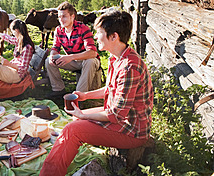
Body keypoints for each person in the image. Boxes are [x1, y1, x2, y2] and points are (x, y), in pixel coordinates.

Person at [40, 10, 154, 176]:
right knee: (76, 119)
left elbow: (115, 114)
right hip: (122, 120)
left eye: (99, 32)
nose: (95, 36)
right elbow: (110, 89)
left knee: (72, 130)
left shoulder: (130, 67)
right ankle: (64, 157)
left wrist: (84, 116)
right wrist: (85, 96)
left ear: (113, 36)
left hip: (131, 130)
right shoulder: (117, 57)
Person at [45, 1, 100, 98]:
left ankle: (79, 96)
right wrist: (52, 55)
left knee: (91, 61)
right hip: (73, 62)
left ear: (72, 16)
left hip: (86, 61)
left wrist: (70, 57)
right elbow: (55, 47)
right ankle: (58, 89)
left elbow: (92, 52)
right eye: (59, 17)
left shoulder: (83, 28)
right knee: (48, 61)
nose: (61, 19)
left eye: (64, 16)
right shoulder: (58, 30)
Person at [0, 19, 35, 108]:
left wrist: (7, 63)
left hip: (16, 75)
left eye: (12, 32)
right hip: (10, 70)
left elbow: (23, 68)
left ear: (16, 31)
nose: (12, 34)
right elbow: (7, 38)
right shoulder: (19, 41)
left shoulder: (27, 47)